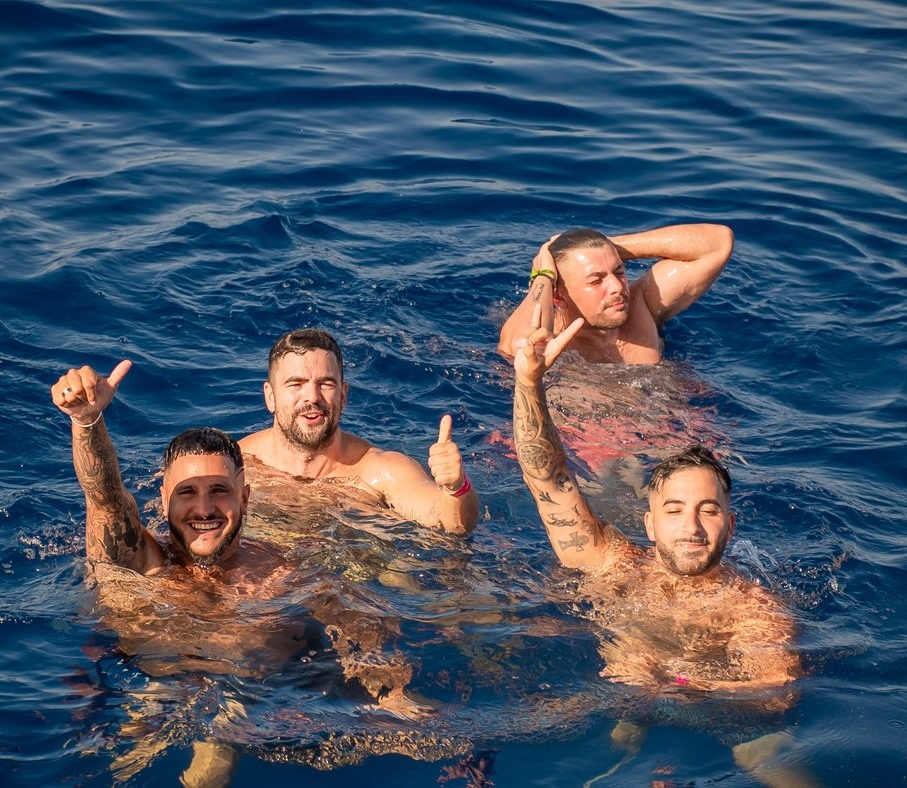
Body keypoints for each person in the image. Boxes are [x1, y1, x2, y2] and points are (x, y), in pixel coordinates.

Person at [51, 359, 429, 784]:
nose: (205, 509)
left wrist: (392, 692)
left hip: (260, 699)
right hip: (144, 680)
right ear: (162, 498)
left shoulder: (281, 571)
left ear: (245, 498)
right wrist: (87, 422)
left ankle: (220, 734)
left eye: (219, 491)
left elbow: (358, 628)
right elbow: (103, 496)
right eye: (187, 493)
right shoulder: (143, 560)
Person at [511, 319, 817, 787]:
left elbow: (773, 696)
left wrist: (665, 678)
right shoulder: (614, 563)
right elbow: (547, 479)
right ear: (650, 524)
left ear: (730, 525)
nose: (691, 527)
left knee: (772, 761)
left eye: (708, 510)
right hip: (622, 704)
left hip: (720, 720)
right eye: (674, 510)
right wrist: (529, 383)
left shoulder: (753, 607)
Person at [239, 328, 479, 536]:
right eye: (296, 384)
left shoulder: (378, 472)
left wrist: (456, 487)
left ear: (343, 396)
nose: (312, 397)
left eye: (326, 384)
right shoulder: (237, 465)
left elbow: (448, 524)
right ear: (270, 397)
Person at [497, 223, 734, 364]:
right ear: (558, 297)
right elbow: (521, 345)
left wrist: (608, 247)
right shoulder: (553, 343)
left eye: (618, 271)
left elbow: (718, 242)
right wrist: (544, 276)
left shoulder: (642, 305)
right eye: (596, 280)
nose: (618, 287)